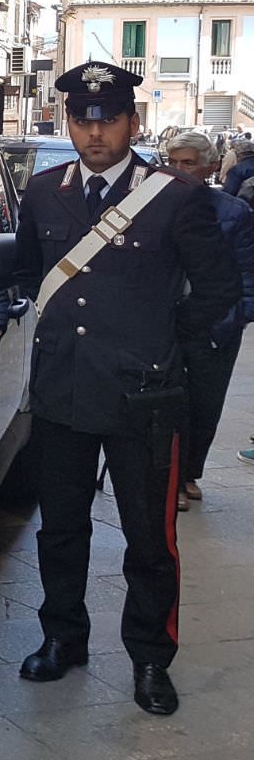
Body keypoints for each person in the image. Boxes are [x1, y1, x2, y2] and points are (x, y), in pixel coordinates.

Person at [15, 61, 237, 716]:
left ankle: (148, 658)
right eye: (82, 120)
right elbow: (30, 273)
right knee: (60, 531)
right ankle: (63, 639)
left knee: (149, 540)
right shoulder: (43, 192)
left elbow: (219, 288)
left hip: (145, 399)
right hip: (62, 392)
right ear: (67, 123)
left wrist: (162, 337)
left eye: (107, 119)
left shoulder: (174, 195)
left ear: (131, 123)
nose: (94, 132)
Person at [162, 132, 254, 509]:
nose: (180, 171)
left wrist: (235, 320)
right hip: (165, 321)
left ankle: (188, 473)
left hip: (215, 324)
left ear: (211, 168)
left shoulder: (233, 212)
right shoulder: (156, 206)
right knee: (167, 404)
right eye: (174, 163)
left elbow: (247, 275)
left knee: (204, 403)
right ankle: (169, 476)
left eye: (188, 163)